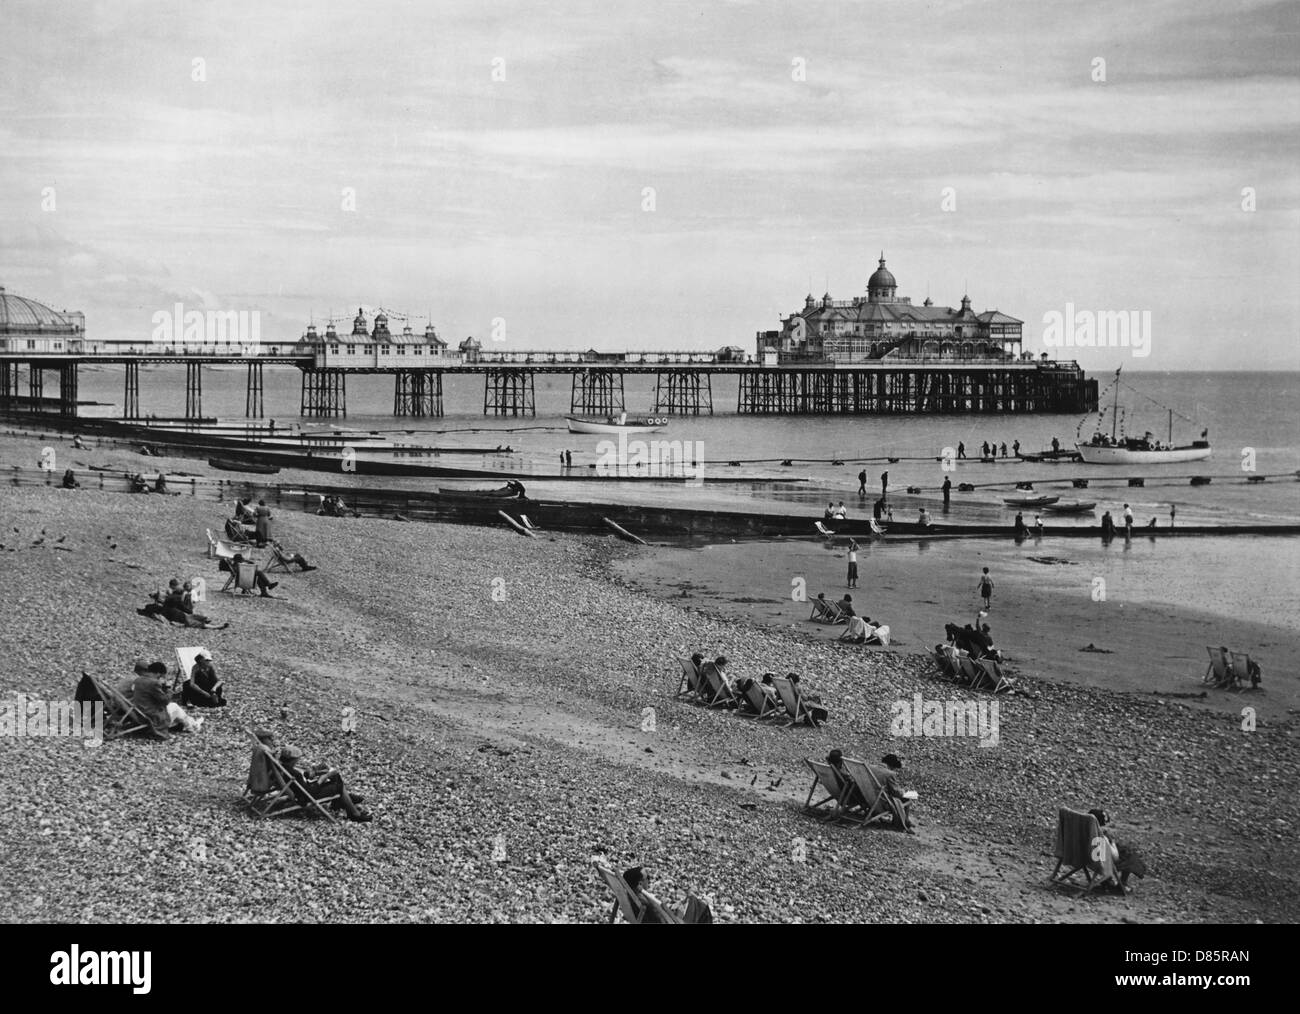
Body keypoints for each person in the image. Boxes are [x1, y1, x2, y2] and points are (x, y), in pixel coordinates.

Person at [263, 732, 372, 823]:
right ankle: (353, 813)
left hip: (303, 790)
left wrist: (314, 774)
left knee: (331, 774)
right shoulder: (292, 773)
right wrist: (323, 778)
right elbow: (310, 791)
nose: (298, 761)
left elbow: (300, 783)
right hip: (307, 796)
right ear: (292, 760)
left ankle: (341, 800)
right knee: (337, 780)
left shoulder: (283, 767)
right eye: (297, 759)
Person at [124, 661, 202, 737]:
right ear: (158, 673)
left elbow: (148, 695)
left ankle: (188, 723)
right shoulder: (154, 683)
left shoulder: (138, 680)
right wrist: (169, 692)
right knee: (174, 706)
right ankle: (193, 726)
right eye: (160, 676)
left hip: (139, 712)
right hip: (151, 716)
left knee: (175, 710)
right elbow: (165, 701)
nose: (159, 678)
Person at [1088, 809, 1146, 892]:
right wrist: (1113, 844)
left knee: (1124, 850)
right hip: (1099, 862)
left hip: (1084, 858)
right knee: (1130, 855)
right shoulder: (1101, 837)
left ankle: (1107, 880)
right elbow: (1115, 857)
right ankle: (1122, 883)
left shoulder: (1082, 832)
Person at [870, 754, 916, 832]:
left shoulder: (870, 768)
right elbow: (896, 792)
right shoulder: (889, 774)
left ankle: (906, 821)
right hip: (881, 803)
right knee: (908, 797)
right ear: (891, 765)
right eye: (894, 767)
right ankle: (903, 821)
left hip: (867, 797)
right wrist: (904, 791)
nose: (894, 769)